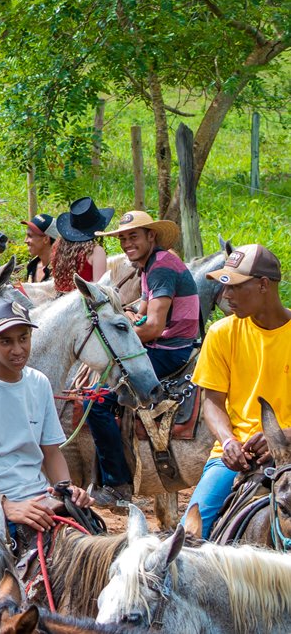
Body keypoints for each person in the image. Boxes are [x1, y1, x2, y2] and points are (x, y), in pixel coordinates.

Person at [0, 298, 93, 540]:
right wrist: (4, 505)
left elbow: (51, 452)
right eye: (6, 342)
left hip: (38, 497)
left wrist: (66, 489)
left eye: (23, 338)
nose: (18, 349)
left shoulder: (39, 383)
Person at [86, 211, 203, 504]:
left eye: (133, 236)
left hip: (169, 349)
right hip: (168, 343)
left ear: (151, 236)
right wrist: (124, 314)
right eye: (123, 238)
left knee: (97, 403)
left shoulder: (161, 268)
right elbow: (143, 310)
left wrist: (114, 337)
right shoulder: (152, 264)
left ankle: (116, 483)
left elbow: (152, 327)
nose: (127, 243)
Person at [187, 245, 289, 536]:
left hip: (289, 450)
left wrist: (281, 436)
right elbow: (213, 402)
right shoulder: (221, 333)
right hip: (236, 454)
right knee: (191, 532)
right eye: (223, 286)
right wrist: (228, 441)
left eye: (234, 286)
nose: (226, 295)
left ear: (264, 285)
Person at [51, 197, 113, 295]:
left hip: (60, 302)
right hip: (82, 306)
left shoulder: (58, 247)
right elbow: (99, 290)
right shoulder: (96, 251)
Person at [22, 214, 56, 284]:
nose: (25, 240)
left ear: (46, 239)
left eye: (30, 236)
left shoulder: (60, 271)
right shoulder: (32, 266)